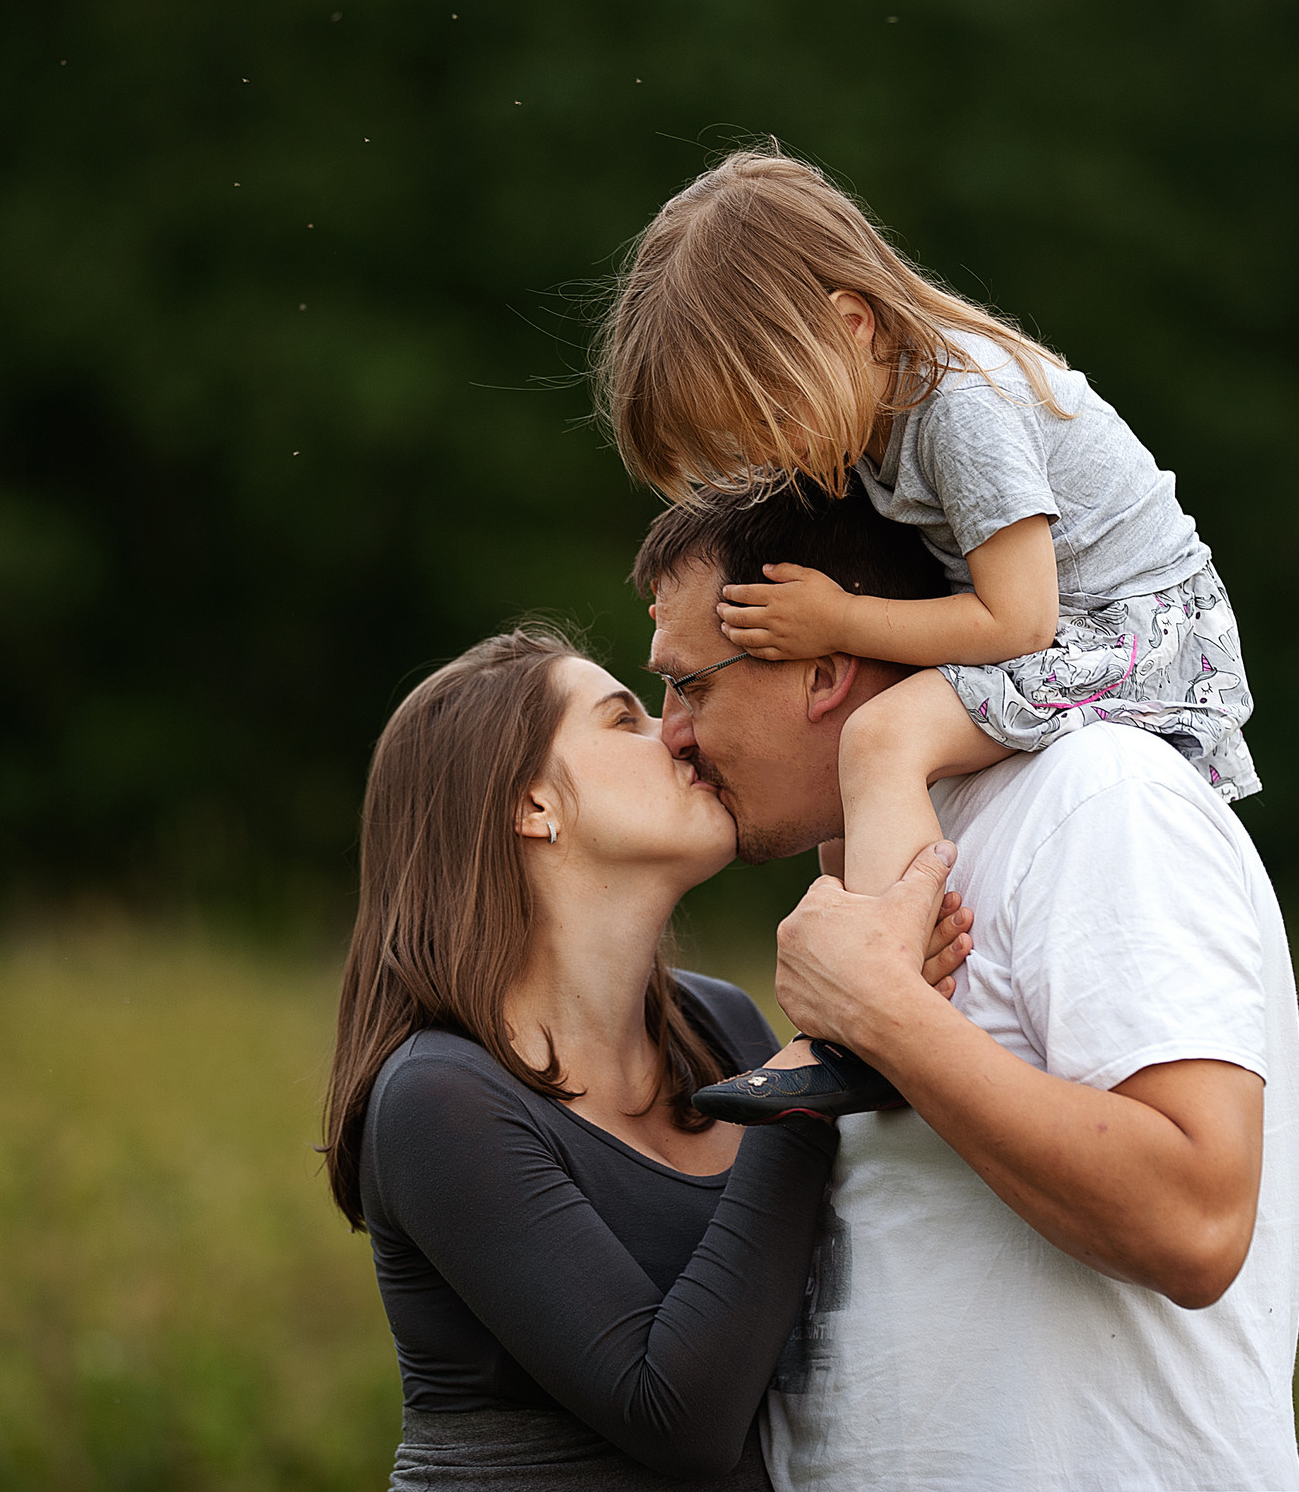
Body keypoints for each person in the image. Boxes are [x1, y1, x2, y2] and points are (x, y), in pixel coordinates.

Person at [636, 487, 1299, 1492]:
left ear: (822, 669)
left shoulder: (1097, 795)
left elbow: (1196, 1222)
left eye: (690, 687)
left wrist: (882, 1015)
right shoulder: (904, 842)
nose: (671, 735)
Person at [596, 147, 1260, 1122]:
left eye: (769, 420)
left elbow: (1020, 620)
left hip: (1140, 634)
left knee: (880, 736)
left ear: (850, 324)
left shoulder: (959, 408)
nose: (771, 459)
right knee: (845, 785)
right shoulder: (872, 409)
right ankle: (847, 1015)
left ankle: (878, 1013)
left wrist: (836, 619)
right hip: (1073, 628)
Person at [319, 626, 973, 1489]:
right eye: (624, 719)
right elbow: (679, 1418)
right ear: (533, 805)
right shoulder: (439, 1099)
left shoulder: (717, 1025)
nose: (678, 734)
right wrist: (818, 1062)